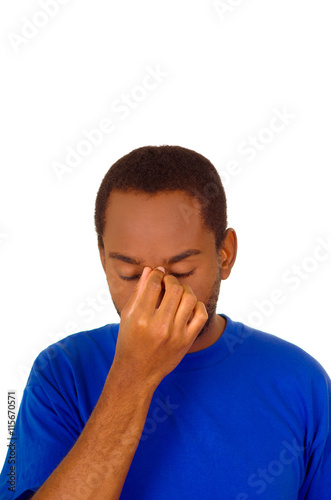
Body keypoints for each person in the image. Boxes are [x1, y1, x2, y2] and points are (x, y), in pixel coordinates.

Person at [0, 145, 330, 499]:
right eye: (129, 273)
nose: (156, 294)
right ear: (103, 260)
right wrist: (134, 375)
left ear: (225, 255)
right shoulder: (62, 372)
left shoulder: (300, 381)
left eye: (181, 271)